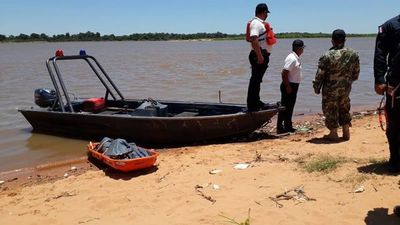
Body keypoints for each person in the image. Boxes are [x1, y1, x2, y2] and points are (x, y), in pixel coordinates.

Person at [313, 29, 360, 141]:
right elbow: (356, 73)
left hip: (330, 88)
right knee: (344, 107)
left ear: (332, 41)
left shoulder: (327, 55)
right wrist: (348, 82)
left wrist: (316, 87)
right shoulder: (353, 54)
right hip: (346, 87)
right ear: (345, 40)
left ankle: (333, 133)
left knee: (330, 109)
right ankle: (346, 131)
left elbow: (320, 74)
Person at [373, 15, 400, 172]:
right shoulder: (390, 26)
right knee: (395, 124)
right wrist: (379, 79)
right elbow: (380, 53)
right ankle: (395, 160)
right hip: (396, 83)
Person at [245, 3, 275, 111]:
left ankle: (255, 101)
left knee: (257, 80)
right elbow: (254, 39)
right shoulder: (256, 23)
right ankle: (253, 104)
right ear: (264, 12)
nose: (267, 15)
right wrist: (259, 56)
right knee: (255, 80)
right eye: (267, 13)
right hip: (259, 55)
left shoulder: (259, 23)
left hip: (261, 54)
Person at [276, 39, 305, 134]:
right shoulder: (292, 58)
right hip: (288, 85)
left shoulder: (295, 57)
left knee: (290, 107)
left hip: (292, 85)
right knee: (284, 107)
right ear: (299, 48)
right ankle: (280, 128)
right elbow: (284, 73)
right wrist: (287, 86)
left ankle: (288, 126)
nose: (303, 50)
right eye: (302, 48)